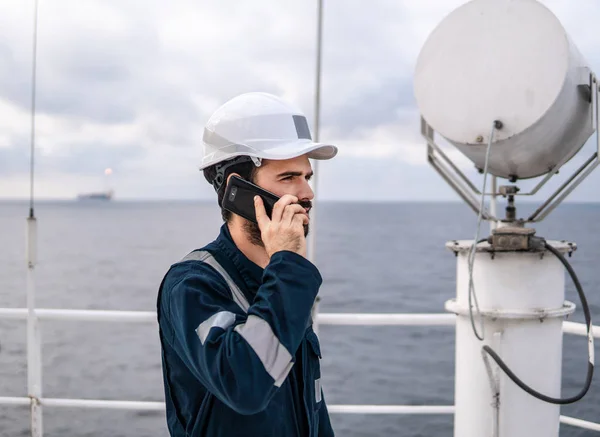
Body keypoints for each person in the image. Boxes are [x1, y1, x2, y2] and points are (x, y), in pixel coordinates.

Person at [157, 92, 338, 436]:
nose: (307, 193)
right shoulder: (192, 285)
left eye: (307, 177)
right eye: (288, 178)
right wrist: (288, 265)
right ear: (236, 189)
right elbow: (246, 385)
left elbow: (312, 411)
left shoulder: (282, 281)